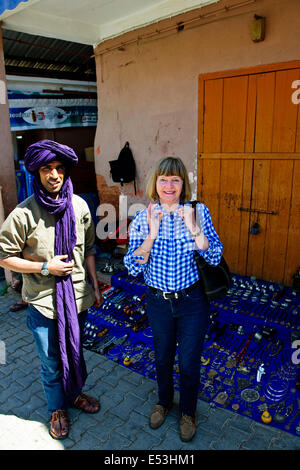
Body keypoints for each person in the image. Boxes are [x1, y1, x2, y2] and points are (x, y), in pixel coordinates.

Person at [0, 140, 103, 440]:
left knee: (74, 351)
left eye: (59, 168)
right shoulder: (23, 214)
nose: (55, 175)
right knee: (51, 361)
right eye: (48, 169)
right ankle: (56, 408)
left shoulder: (80, 205)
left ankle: (74, 395)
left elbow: (90, 249)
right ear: (37, 172)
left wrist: (96, 285)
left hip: (78, 298)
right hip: (44, 304)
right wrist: (46, 267)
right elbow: (5, 256)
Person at [124, 156, 223, 442]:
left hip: (192, 302)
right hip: (158, 302)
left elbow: (214, 255)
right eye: (164, 179)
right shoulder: (144, 217)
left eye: (175, 180)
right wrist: (151, 236)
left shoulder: (198, 210)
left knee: (190, 362)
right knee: (163, 357)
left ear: (183, 184)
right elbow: (132, 266)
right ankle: (164, 401)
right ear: (155, 182)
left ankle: (188, 413)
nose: (169, 185)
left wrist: (193, 226)